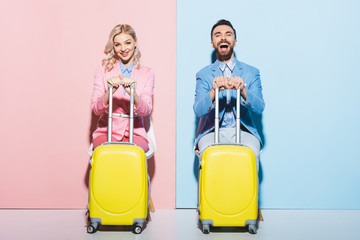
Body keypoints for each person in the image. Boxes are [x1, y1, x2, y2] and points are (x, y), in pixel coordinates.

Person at [193, 19, 265, 220]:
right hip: (212, 131)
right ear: (212, 43)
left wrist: (243, 90)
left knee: (251, 153)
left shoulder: (251, 72)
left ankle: (250, 208)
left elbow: (260, 107)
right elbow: (198, 110)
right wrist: (213, 92)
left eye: (228, 34)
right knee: (207, 155)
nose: (223, 37)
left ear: (234, 40)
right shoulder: (204, 74)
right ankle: (206, 209)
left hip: (243, 130)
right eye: (217, 35)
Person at [91, 24, 154, 152]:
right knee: (106, 155)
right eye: (118, 44)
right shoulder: (103, 69)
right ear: (113, 47)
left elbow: (147, 110)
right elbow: (96, 109)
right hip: (106, 130)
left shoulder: (147, 73)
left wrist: (134, 95)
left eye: (127, 43)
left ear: (135, 43)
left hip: (135, 132)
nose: (123, 48)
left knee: (133, 156)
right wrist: (109, 92)